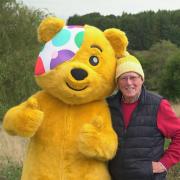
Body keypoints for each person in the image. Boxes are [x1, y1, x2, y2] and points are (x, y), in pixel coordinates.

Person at [107, 54, 180, 180]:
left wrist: (164, 163)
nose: (129, 83)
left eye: (133, 77)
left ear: (141, 79)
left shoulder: (158, 105)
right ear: (117, 82)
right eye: (123, 78)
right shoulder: (108, 105)